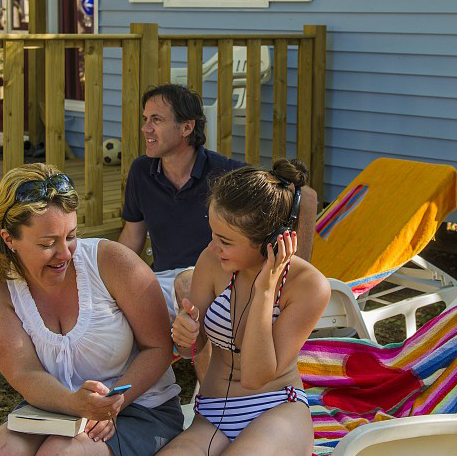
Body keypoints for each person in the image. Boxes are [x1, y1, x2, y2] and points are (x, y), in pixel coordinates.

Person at [0, 164, 183, 456]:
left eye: (70, 236)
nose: (64, 253)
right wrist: (73, 403)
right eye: (47, 243)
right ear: (9, 239)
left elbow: (159, 348)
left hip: (139, 408)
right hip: (54, 407)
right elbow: (24, 373)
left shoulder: (112, 262)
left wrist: (111, 402)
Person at [142, 160, 330, 456]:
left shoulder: (309, 287)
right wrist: (185, 335)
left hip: (276, 412)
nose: (214, 247)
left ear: (271, 242)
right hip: (213, 414)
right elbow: (192, 351)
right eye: (213, 234)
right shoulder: (212, 261)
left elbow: (256, 377)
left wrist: (265, 290)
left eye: (226, 241)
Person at [119, 84, 318, 315]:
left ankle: (196, 351)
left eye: (156, 120)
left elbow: (307, 197)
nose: (145, 128)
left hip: (216, 281)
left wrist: (295, 273)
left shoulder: (225, 173)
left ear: (186, 127)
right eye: (145, 119)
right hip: (162, 281)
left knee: (184, 285)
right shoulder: (141, 171)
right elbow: (132, 238)